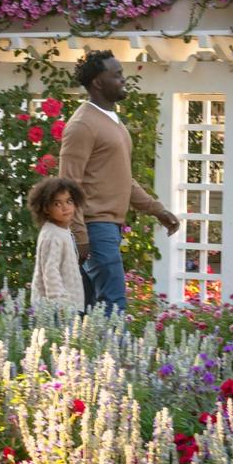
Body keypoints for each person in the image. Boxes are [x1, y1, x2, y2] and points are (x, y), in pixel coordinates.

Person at [57, 51, 179, 310]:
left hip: (107, 228)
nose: (124, 79)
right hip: (94, 228)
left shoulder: (111, 122)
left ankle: (75, 351)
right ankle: (113, 352)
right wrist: (79, 235)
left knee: (86, 310)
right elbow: (68, 185)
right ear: (98, 82)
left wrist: (157, 209)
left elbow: (122, 177)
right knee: (113, 304)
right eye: (117, 75)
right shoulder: (82, 125)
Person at [28, 177, 87, 306]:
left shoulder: (62, 230)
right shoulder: (52, 235)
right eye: (57, 204)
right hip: (55, 308)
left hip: (68, 305)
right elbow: (50, 271)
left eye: (69, 201)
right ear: (46, 208)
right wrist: (57, 302)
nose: (65, 207)